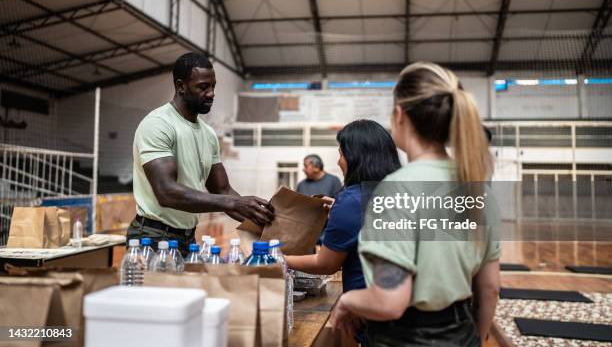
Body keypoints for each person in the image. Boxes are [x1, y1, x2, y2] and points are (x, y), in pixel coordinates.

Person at [330, 62, 501, 346]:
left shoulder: (394, 191)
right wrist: (477, 339)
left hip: (404, 337)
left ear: (399, 115)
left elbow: (389, 300)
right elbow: (490, 288)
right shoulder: (478, 190)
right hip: (463, 334)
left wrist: (348, 301)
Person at [127, 52, 274, 257]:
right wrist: (234, 203)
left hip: (188, 238)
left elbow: (222, 189)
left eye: (213, 86)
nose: (212, 93)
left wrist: (263, 220)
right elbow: (166, 192)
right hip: (153, 238)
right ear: (181, 86)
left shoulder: (208, 134)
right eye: (203, 87)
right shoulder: (158, 124)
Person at [286, 119, 401, 344]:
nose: (339, 161)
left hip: (374, 315)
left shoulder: (351, 200)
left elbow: (326, 264)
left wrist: (283, 259)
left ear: (354, 157)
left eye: (340, 154)